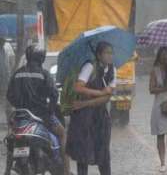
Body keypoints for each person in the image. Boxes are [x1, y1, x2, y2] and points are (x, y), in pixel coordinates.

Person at [6, 44, 71, 175]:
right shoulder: (44, 74)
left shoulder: (17, 74)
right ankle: (66, 171)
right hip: (40, 115)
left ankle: (6, 170)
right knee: (63, 134)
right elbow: (54, 95)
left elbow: (9, 95)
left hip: (20, 117)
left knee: (11, 140)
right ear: (42, 58)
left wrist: (19, 105)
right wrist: (50, 111)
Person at [66, 41, 117, 175]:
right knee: (83, 154)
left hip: (100, 117)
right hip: (84, 118)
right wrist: (100, 92)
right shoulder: (90, 66)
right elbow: (78, 87)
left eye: (111, 53)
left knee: (103, 154)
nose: (110, 56)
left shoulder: (112, 69)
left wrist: (85, 104)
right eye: (107, 53)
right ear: (99, 55)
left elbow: (107, 97)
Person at [0, 36, 15, 123]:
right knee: (6, 102)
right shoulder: (7, 46)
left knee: (7, 103)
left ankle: (8, 121)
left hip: (5, 81)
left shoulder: (6, 46)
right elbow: (12, 61)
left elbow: (12, 61)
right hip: (5, 81)